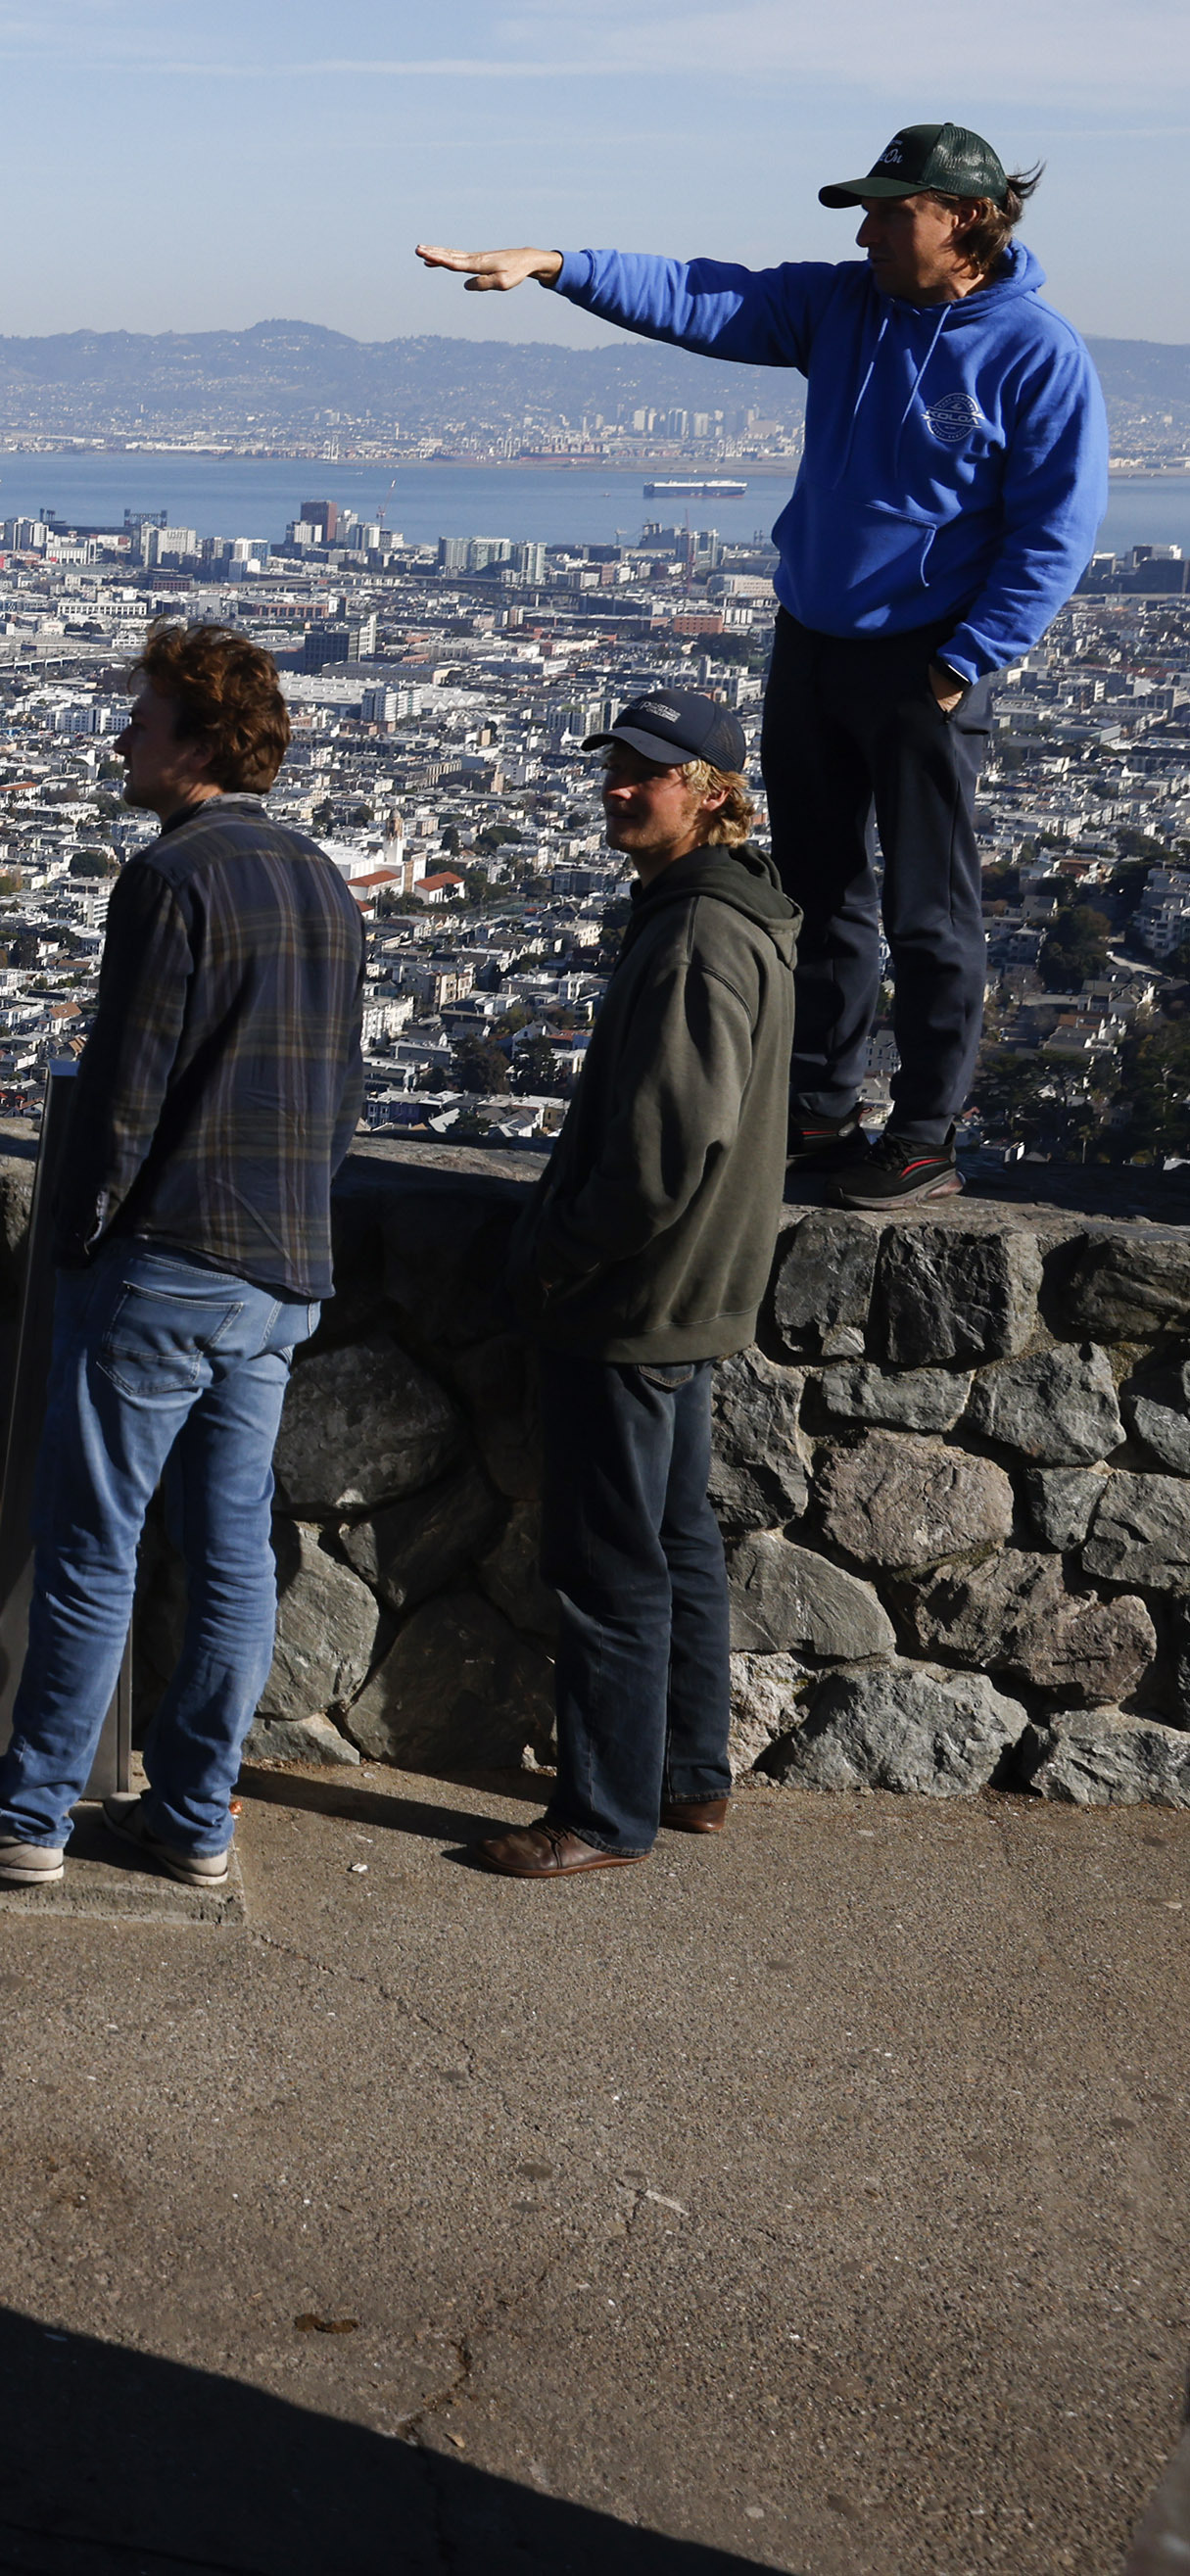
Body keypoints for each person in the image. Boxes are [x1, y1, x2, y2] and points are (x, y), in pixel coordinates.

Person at [417, 123, 1108, 1209]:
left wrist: (964, 662)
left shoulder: (1032, 349)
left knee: (930, 910)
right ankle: (819, 1109)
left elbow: (1056, 528)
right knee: (821, 889)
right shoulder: (844, 308)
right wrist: (555, 265)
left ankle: (926, 1132)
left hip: (926, 661)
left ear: (964, 218)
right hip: (814, 643)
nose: (866, 229)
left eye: (891, 211)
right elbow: (706, 297)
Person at [0, 623, 363, 1890]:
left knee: (90, 1547)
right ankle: (194, 1815)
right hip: (282, 1273)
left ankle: (26, 1811)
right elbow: (340, 1090)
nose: (119, 740)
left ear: (199, 741)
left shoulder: (171, 879)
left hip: (167, 1263)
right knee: (229, 1556)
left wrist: (81, 1244)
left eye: (140, 721)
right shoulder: (319, 875)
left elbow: (123, 1092)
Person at [478, 692, 799, 1880]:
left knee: (608, 1562)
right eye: (615, 764)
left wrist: (558, 1247)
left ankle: (604, 1812)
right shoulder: (739, 912)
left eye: (650, 771)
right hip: (695, 1287)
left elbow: (663, 1147)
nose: (620, 785)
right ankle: (687, 1778)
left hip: (632, 1294)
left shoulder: (695, 933)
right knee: (673, 1541)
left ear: (712, 790)